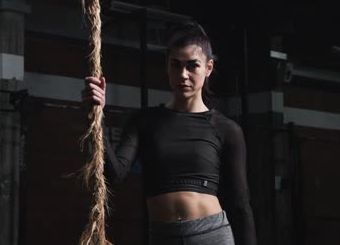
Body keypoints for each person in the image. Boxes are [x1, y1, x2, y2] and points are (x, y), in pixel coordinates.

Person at [80, 22, 257, 245]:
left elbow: (240, 205)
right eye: (176, 65)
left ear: (208, 68)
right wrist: (97, 116)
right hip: (162, 237)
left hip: (210, 236)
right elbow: (114, 175)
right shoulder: (145, 121)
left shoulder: (227, 129)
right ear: (167, 67)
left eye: (192, 66)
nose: (183, 74)